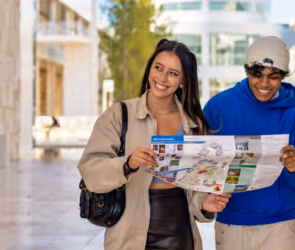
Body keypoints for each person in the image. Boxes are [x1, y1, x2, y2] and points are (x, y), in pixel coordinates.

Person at [77, 38, 231, 250]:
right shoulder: (119, 115)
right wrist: (127, 164)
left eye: (173, 73)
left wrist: (205, 204)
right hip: (129, 233)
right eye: (158, 68)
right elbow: (90, 169)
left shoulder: (194, 125)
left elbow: (196, 190)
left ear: (184, 81)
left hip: (179, 231)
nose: (162, 77)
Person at [203, 36, 295, 250]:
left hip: (280, 225)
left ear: (283, 77)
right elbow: (199, 158)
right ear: (246, 71)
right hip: (231, 224)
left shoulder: (293, 112)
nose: (265, 84)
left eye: (273, 77)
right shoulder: (219, 107)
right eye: (257, 75)